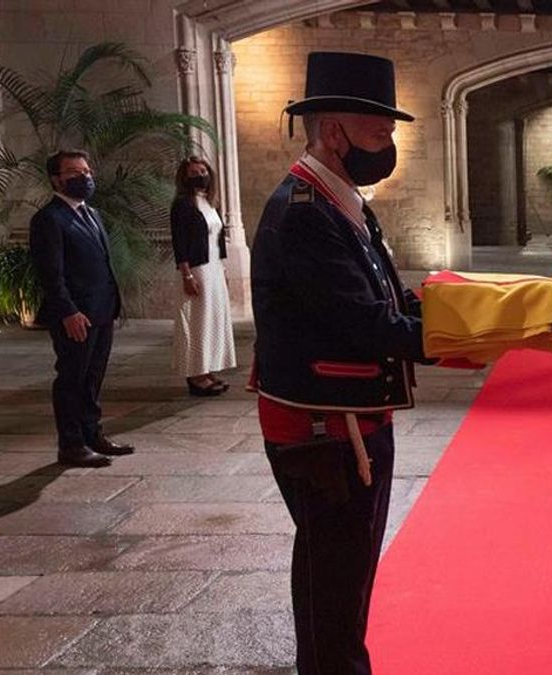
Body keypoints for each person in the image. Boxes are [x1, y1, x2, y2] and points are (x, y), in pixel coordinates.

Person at [250, 52, 426, 674]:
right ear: (334, 132)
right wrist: (459, 338)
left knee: (342, 573)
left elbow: (387, 292)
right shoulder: (304, 214)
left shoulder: (338, 199)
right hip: (328, 430)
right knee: (335, 578)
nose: (388, 144)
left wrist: (449, 310)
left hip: (352, 421)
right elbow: (364, 322)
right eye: (378, 132)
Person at [29, 150, 134, 468]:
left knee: (92, 378)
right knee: (71, 379)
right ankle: (71, 444)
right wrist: (67, 311)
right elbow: (51, 273)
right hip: (75, 315)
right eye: (75, 172)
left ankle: (92, 434)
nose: (85, 177)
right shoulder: (49, 219)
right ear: (56, 179)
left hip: (101, 310)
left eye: (87, 171)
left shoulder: (93, 213)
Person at [170, 156, 236, 397]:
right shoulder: (183, 204)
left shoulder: (210, 202)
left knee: (212, 321)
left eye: (203, 170)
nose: (200, 175)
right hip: (196, 269)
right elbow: (180, 241)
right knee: (197, 322)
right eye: (194, 172)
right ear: (185, 178)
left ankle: (206, 369)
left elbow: (217, 239)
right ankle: (195, 375)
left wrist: (224, 269)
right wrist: (187, 275)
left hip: (214, 267)